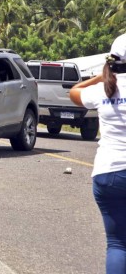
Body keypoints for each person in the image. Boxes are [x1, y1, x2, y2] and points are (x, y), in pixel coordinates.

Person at [70, 33, 126, 273]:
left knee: (117, 244)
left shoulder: (103, 89)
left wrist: (103, 75)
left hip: (108, 173)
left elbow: (74, 91)